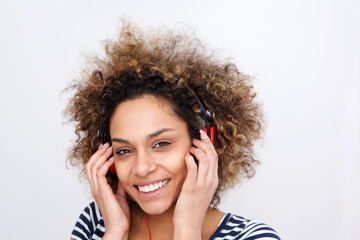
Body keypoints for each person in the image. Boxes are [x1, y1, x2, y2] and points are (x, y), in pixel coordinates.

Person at [65, 20, 281, 240]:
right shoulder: (97, 222)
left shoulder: (253, 236)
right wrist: (115, 232)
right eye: (124, 150)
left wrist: (187, 230)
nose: (141, 168)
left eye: (161, 144)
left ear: (205, 143)